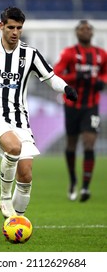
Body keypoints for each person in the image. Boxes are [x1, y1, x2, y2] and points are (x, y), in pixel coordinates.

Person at [0, 7, 77, 217]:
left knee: (26, 174)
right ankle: (4, 198)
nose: (15, 32)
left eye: (19, 28)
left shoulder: (30, 54)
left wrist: (65, 88)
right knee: (14, 147)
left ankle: (16, 220)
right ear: (1, 26)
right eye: (10, 27)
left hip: (19, 119)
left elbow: (50, 77)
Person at [54, 20, 107, 202]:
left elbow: (105, 73)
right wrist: (75, 76)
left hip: (91, 106)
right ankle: (73, 180)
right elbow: (56, 74)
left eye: (88, 29)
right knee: (71, 145)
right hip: (72, 106)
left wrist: (103, 80)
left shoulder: (101, 54)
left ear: (92, 33)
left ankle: (85, 187)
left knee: (89, 143)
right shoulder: (69, 53)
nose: (86, 31)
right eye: (82, 29)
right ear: (76, 32)